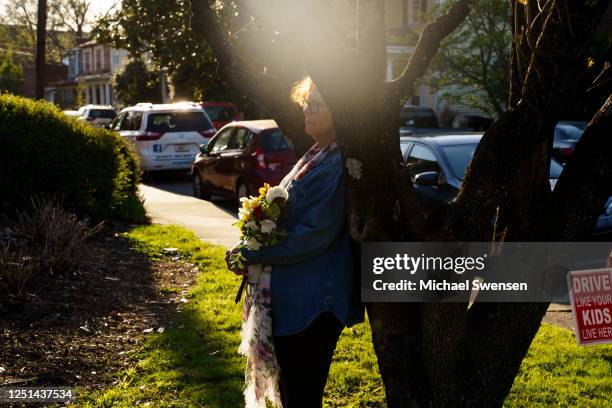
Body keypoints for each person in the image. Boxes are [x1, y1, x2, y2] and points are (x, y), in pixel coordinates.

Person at [225, 76, 364, 408]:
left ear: (340, 111)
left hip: (314, 304)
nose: (307, 111)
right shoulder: (317, 153)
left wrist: (252, 251)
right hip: (296, 303)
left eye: (315, 105)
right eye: (306, 103)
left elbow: (315, 234)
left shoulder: (336, 162)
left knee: (302, 395)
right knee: (293, 394)